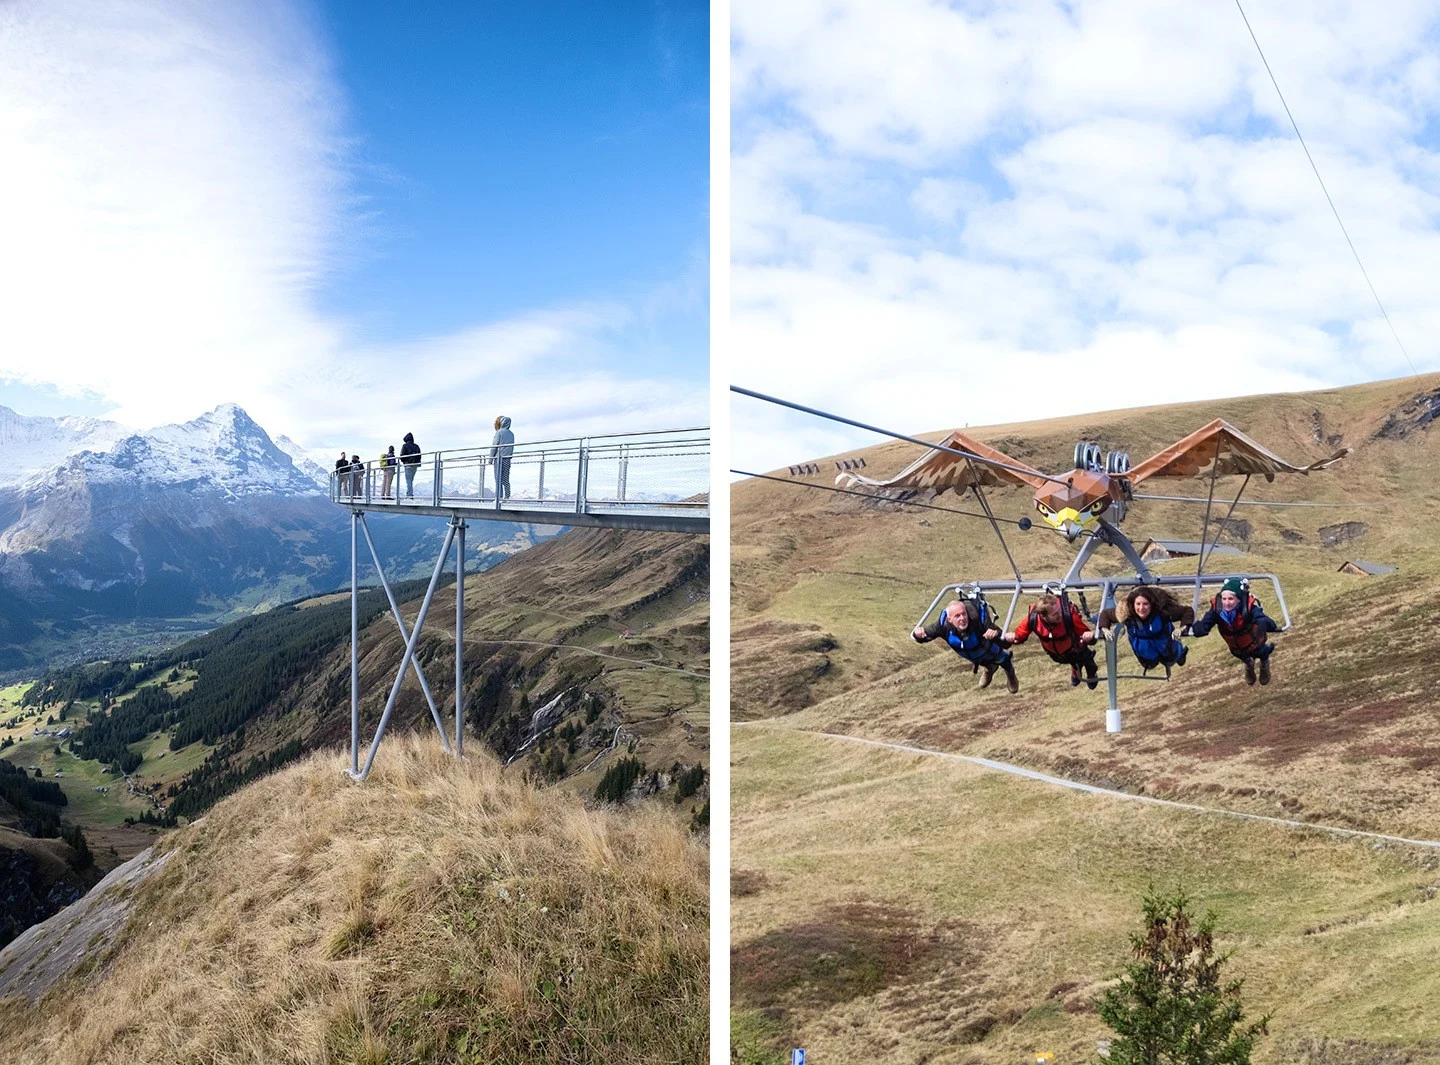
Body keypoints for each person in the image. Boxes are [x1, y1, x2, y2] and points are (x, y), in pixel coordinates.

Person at [912, 595, 1020, 692]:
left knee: (1002, 659)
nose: (962, 618)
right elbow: (925, 636)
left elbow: (1003, 642)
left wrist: (998, 635)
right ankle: (990, 669)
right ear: (949, 619)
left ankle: (1011, 675)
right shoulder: (942, 626)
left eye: (964, 614)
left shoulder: (979, 621)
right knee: (980, 658)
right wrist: (918, 635)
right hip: (974, 656)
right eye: (957, 616)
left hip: (989, 649)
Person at [1189, 578, 1280, 685]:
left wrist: (1263, 623)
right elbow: (1207, 622)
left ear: (1239, 599)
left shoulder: (1248, 609)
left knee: (1263, 653)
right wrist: (1199, 628)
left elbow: (1263, 619)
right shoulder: (1217, 610)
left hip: (1254, 644)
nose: (1227, 603)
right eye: (1224, 599)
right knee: (1243, 656)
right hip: (1236, 648)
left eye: (1231, 599)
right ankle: (1249, 664)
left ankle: (1264, 664)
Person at [1004, 590, 1099, 689]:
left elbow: (1086, 634)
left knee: (1087, 660)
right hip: (1056, 654)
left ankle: (1091, 673)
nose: (1059, 615)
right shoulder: (1033, 619)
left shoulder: (1068, 615)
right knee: (1074, 663)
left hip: (1075, 649)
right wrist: (1012, 637)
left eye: (1059, 611)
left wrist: (1089, 636)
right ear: (1043, 616)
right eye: (1054, 614)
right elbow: (1020, 635)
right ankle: (1075, 669)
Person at [1097, 586, 1194, 676]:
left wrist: (1182, 628)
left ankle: (1180, 655)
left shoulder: (1162, 612)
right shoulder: (1127, 615)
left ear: (1151, 604)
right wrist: (1104, 629)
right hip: (1144, 650)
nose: (1141, 608)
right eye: (1138, 604)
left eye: (1145, 604)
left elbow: (1186, 611)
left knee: (1171, 658)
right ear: (1133, 604)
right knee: (1149, 664)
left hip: (1165, 645)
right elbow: (1106, 614)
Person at [491, 415, 514, 500]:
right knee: (506, 478)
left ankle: (498, 497)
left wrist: (490, 459)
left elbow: (494, 446)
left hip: (499, 458)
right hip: (507, 458)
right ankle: (507, 496)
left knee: (498, 479)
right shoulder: (511, 433)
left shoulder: (499, 432)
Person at [399, 432, 421, 499]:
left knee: (408, 480)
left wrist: (404, 461)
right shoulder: (416, 446)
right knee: (411, 479)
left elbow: (402, 456)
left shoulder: (405, 446)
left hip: (408, 464)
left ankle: (409, 495)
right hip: (415, 465)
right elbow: (419, 456)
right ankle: (410, 493)